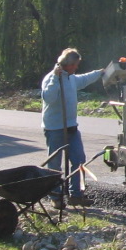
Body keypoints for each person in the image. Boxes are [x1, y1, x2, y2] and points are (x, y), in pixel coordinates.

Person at [41, 48, 103, 207]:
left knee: (79, 160)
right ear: (67, 64)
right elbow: (48, 98)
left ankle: (76, 194)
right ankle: (56, 197)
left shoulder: (71, 78)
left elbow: (84, 79)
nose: (76, 68)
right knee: (54, 164)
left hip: (71, 127)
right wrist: (55, 78)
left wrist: (100, 72)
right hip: (55, 128)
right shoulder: (51, 78)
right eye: (74, 65)